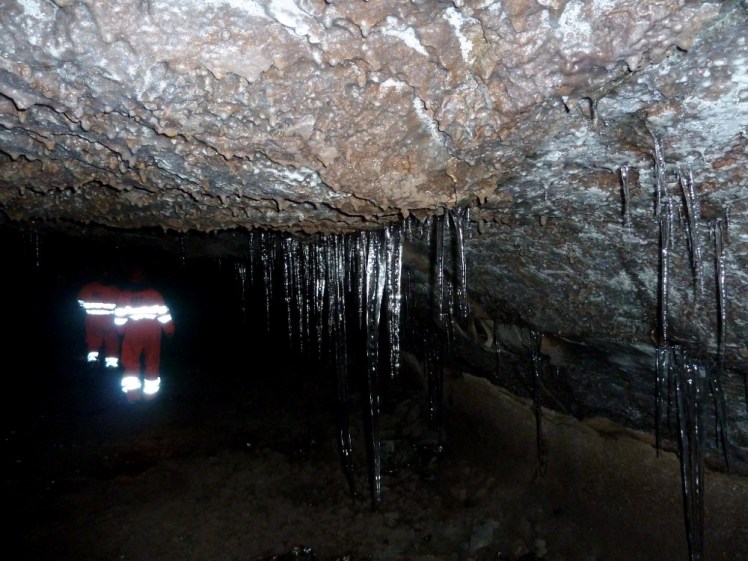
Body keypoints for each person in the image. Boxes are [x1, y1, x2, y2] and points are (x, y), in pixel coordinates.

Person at [115, 266, 175, 402]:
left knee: (131, 363)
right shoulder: (155, 295)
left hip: (132, 333)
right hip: (153, 333)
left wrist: (120, 332)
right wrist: (169, 330)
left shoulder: (124, 296)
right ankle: (150, 396)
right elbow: (164, 315)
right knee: (152, 362)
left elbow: (119, 318)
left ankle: (132, 396)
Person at [77, 272, 122, 370]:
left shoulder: (88, 288)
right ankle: (111, 364)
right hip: (110, 323)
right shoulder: (115, 291)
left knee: (93, 342)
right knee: (112, 343)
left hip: (92, 321)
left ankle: (93, 362)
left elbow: (80, 304)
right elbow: (120, 307)